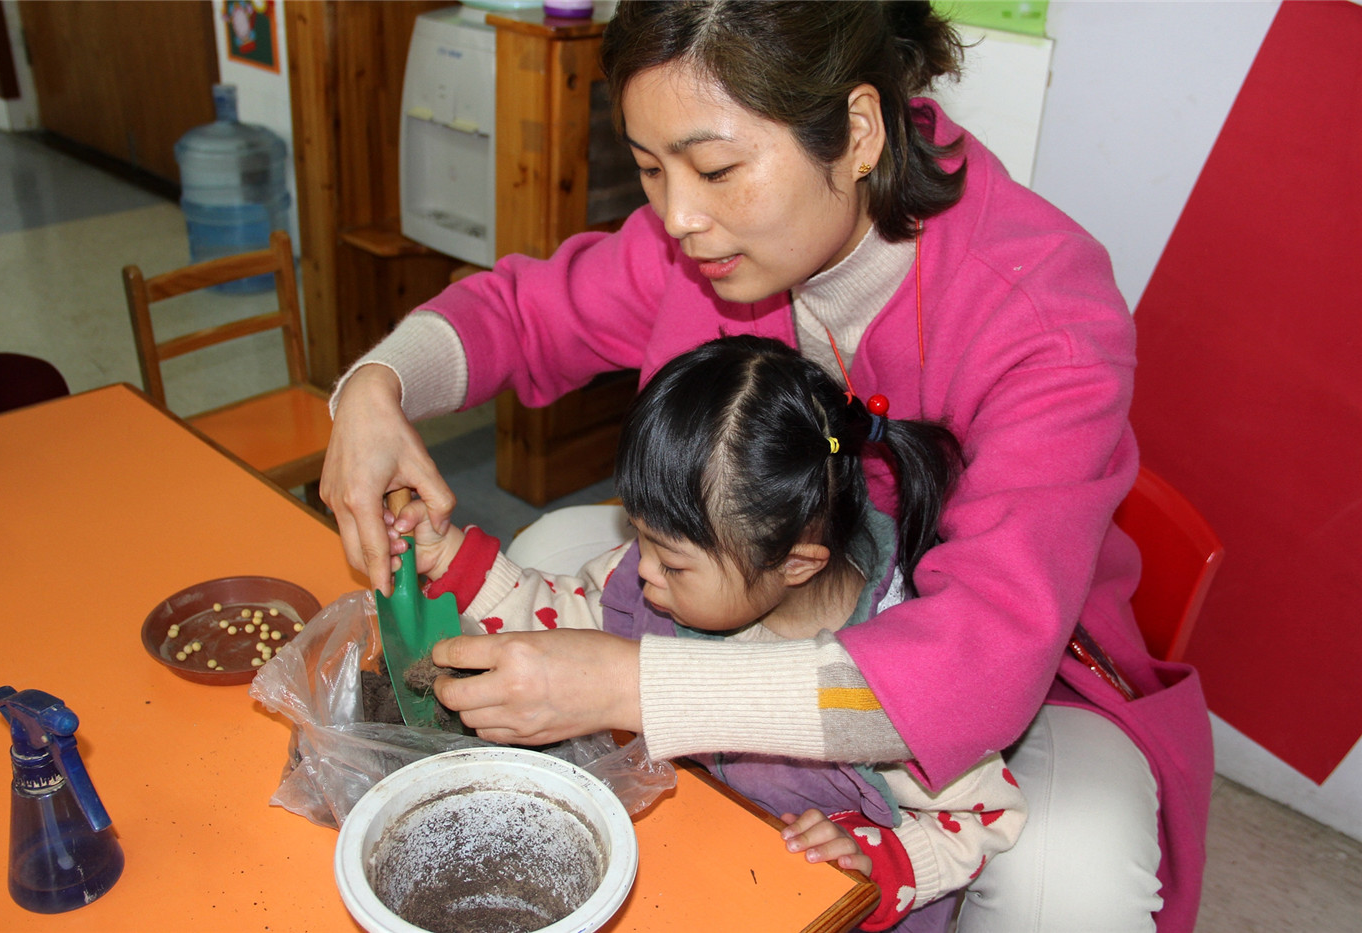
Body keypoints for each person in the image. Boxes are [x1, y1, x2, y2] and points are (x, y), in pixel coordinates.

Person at [322, 3, 1212, 930]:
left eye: (715, 169)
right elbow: (526, 312)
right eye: (649, 168)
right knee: (551, 546)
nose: (677, 216)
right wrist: (376, 386)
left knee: (1071, 889)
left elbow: (974, 662)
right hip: (754, 581)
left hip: (1025, 684)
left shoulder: (1045, 317)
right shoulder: (710, 242)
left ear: (859, 132)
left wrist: (628, 683)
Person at [396, 335, 1027, 931]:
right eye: (638, 536)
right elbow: (568, 623)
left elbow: (989, 814)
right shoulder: (654, 583)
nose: (640, 569)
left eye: (671, 561)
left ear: (795, 564)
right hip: (701, 859)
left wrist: (885, 855)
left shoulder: (891, 675)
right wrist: (453, 558)